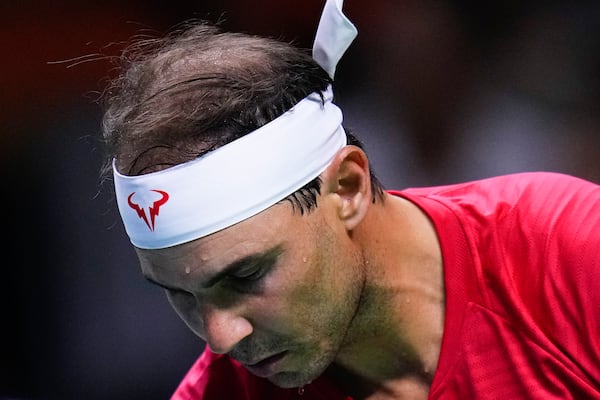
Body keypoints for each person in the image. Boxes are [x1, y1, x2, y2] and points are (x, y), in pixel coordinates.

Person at [99, 1, 600, 398]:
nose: (221, 338)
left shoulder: (572, 256)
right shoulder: (220, 392)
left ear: (347, 190)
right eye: (182, 294)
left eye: (245, 275)